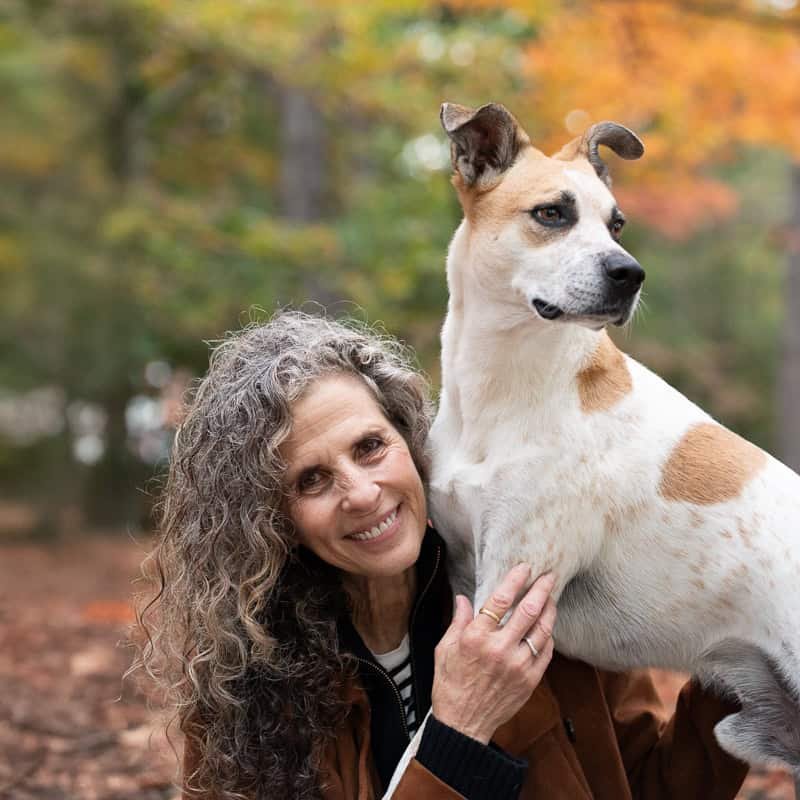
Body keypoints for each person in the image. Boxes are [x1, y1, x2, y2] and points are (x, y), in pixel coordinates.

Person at [135, 310, 749, 800]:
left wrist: (749, 654)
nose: (361, 493)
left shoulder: (529, 587)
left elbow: (652, 786)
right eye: (311, 481)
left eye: (370, 447)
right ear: (271, 520)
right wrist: (458, 730)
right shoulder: (248, 684)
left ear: (412, 440)